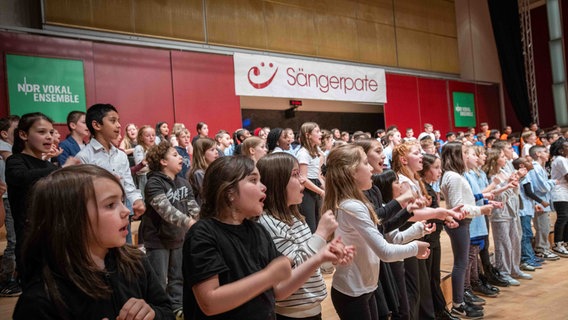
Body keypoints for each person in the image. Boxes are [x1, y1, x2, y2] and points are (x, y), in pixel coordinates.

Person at [182, 156, 349, 319]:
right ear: (229, 192)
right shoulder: (203, 233)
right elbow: (210, 303)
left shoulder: (258, 231)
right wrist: (269, 275)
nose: (264, 188)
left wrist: (320, 257)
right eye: (253, 180)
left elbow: (279, 291)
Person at [13, 164, 173, 319]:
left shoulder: (135, 262)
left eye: (122, 201)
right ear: (70, 219)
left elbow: (166, 310)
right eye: (110, 205)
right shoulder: (41, 300)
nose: (126, 211)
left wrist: (152, 314)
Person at [324, 144, 430, 320]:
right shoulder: (351, 206)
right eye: (366, 163)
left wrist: (411, 218)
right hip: (352, 292)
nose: (372, 168)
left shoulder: (357, 203)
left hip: (365, 287)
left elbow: (381, 229)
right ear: (351, 172)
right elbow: (385, 252)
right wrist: (415, 248)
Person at [257, 152, 354, 319]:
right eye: (295, 175)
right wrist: (321, 233)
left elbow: (308, 257)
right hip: (291, 313)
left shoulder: (294, 217)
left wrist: (331, 255)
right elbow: (290, 271)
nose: (303, 180)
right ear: (277, 183)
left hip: (310, 308)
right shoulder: (268, 223)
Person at [6, 113, 80, 285]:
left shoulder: (48, 165)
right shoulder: (16, 161)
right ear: (23, 135)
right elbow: (22, 177)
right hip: (31, 242)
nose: (49, 137)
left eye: (51, 132)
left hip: (55, 238)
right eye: (41, 132)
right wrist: (61, 170)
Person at [142, 141, 200, 318]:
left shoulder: (183, 182)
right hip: (157, 240)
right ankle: (159, 311)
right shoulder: (153, 183)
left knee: (177, 278)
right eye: (175, 155)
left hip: (179, 237)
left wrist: (201, 221)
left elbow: (194, 208)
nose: (180, 157)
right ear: (163, 161)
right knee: (159, 280)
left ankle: (176, 308)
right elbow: (166, 211)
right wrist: (190, 223)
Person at [76, 104, 145, 240]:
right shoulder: (84, 157)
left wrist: (136, 200)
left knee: (125, 254)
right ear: (96, 125)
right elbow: (82, 194)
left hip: (122, 215)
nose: (119, 125)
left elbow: (128, 184)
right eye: (113, 121)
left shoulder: (121, 155)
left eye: (118, 121)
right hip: (99, 220)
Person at [440, 142, 493, 318]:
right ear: (455, 155)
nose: (466, 155)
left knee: (462, 263)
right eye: (463, 152)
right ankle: (458, 303)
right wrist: (481, 210)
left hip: (463, 224)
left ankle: (460, 299)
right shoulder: (453, 177)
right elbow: (458, 207)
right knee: (461, 264)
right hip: (459, 224)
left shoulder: (453, 175)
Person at [528, 145, 560, 260]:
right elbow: (541, 187)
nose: (548, 153)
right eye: (545, 151)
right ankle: (541, 249)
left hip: (543, 201)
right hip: (539, 202)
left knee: (545, 226)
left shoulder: (540, 167)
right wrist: (553, 182)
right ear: (538, 154)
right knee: (542, 227)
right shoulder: (535, 168)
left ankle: (544, 248)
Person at [0, 115, 20, 297]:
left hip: (10, 197)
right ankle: (6, 280)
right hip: (5, 198)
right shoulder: (3, 147)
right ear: (5, 134)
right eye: (17, 129)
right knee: (13, 240)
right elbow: (13, 162)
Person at [550, 138, 568, 257]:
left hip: (564, 191)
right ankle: (558, 243)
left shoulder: (563, 159)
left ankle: (565, 242)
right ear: (561, 150)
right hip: (559, 192)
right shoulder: (560, 159)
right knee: (563, 217)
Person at [188, 137, 218, 205]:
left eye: (216, 149)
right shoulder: (199, 173)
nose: (216, 152)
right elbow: (207, 195)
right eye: (212, 150)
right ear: (202, 154)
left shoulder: (211, 169)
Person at [133, 125, 156, 193]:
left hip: (155, 176)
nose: (151, 137)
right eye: (148, 136)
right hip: (144, 178)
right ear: (141, 138)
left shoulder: (155, 148)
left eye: (153, 135)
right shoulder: (139, 148)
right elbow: (141, 168)